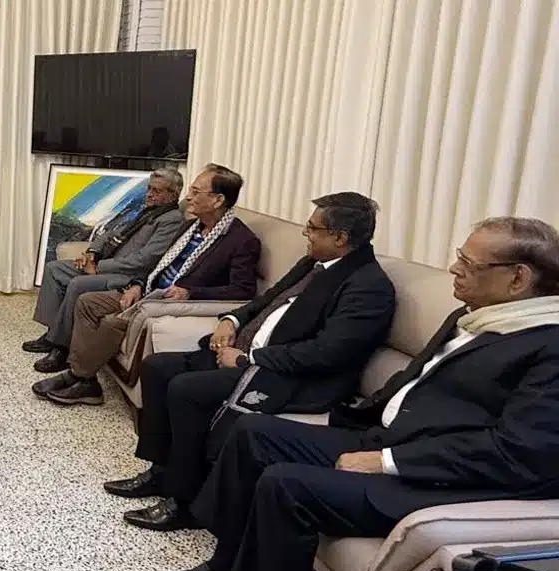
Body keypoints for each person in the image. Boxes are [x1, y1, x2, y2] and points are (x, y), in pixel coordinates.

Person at [152, 217, 559, 571]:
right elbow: (409, 384)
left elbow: (519, 453)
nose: (454, 268)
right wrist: (350, 421)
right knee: (253, 434)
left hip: (442, 478)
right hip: (389, 439)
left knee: (287, 484)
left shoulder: (547, 348)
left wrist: (387, 463)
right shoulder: (474, 316)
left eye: (468, 262)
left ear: (518, 278)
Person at [106, 193, 397, 532]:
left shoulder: (368, 287)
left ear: (340, 238)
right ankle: (162, 472)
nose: (306, 233)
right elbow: (266, 300)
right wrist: (231, 320)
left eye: (313, 228)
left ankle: (184, 501)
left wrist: (248, 358)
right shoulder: (314, 263)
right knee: (157, 368)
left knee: (188, 390)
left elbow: (326, 353)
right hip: (253, 356)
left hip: (294, 378)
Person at [30, 163, 262, 376]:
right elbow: (156, 263)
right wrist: (132, 281)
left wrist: (190, 292)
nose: (188, 197)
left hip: (166, 296)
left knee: (86, 294)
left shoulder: (241, 240)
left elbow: (243, 290)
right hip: (147, 286)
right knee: (79, 294)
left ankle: (76, 372)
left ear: (217, 200)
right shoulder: (190, 227)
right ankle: (67, 355)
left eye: (195, 191)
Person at [26, 167, 186, 363]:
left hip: (128, 276)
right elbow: (110, 233)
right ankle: (52, 334)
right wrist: (92, 253)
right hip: (107, 262)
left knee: (78, 284)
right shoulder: (147, 210)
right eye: (149, 188)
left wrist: (99, 267)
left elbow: (145, 259)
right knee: (54, 269)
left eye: (157, 191)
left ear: (172, 195)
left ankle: (62, 347)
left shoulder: (172, 219)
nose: (149, 194)